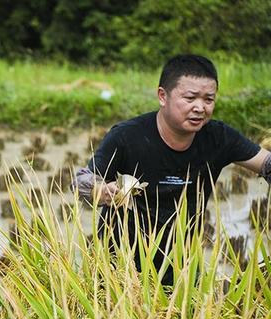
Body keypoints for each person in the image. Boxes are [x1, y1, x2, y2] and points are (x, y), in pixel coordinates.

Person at [74, 54, 271, 284]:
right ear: (162, 96)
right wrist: (101, 190)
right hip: (119, 271)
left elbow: (265, 163)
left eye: (209, 99)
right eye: (190, 98)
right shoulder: (127, 136)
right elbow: (81, 181)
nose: (200, 107)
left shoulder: (219, 138)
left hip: (182, 269)